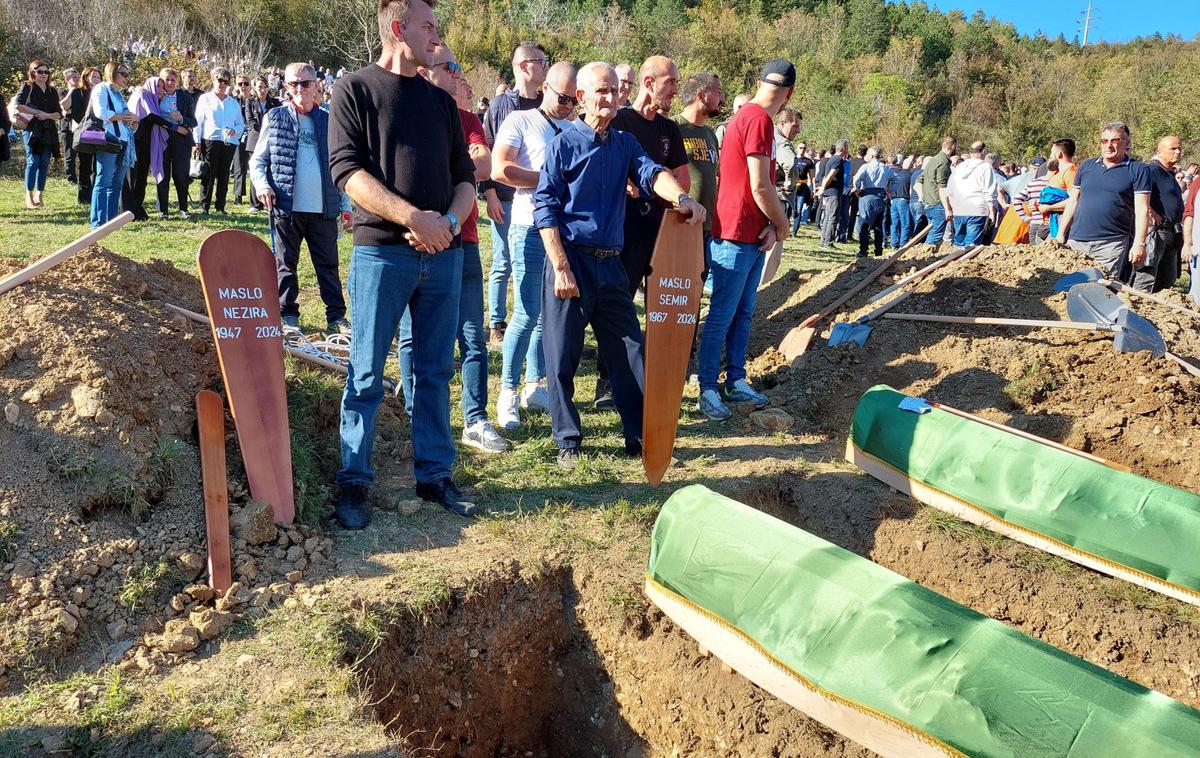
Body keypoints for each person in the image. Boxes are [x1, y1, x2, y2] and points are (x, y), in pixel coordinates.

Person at [329, 0, 479, 526]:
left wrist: (449, 224)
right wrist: (414, 218)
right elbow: (346, 172)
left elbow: (466, 175)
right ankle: (353, 482)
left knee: (435, 370)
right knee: (366, 371)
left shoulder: (439, 102)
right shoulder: (354, 89)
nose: (437, 37)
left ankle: (435, 475)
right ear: (398, 30)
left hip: (443, 255)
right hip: (381, 254)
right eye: (429, 27)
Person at [534, 61, 703, 469]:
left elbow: (651, 173)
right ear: (581, 98)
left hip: (611, 266)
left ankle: (641, 437)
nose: (611, 98)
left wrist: (680, 198)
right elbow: (545, 207)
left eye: (614, 91)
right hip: (569, 260)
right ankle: (568, 441)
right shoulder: (562, 144)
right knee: (561, 358)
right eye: (602, 92)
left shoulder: (625, 144)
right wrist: (560, 266)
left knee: (630, 352)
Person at [400, 47, 510, 454]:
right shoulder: (409, 112)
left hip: (462, 240)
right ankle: (417, 417)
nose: (460, 75)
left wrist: (442, 164)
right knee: (415, 337)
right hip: (416, 240)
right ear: (430, 73)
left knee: (472, 336)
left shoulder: (468, 119)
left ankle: (475, 419)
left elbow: (483, 166)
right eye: (453, 67)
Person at [697, 59, 794, 421]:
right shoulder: (757, 120)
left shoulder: (752, 118)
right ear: (790, 94)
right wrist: (782, 226)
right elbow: (759, 184)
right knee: (723, 314)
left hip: (751, 232)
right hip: (734, 233)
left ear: (758, 82)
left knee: (743, 312)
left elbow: (759, 185)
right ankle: (707, 387)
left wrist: (769, 225)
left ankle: (735, 380)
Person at [490, 61, 579, 431]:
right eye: (563, 97)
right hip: (528, 226)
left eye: (575, 100)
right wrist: (549, 179)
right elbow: (499, 169)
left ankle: (533, 384)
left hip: (562, 231)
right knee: (526, 312)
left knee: (548, 315)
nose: (569, 104)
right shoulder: (520, 121)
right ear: (545, 88)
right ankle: (507, 392)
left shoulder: (574, 127)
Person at [597, 55, 689, 407]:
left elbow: (680, 177)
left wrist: (673, 195)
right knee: (618, 305)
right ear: (649, 83)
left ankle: (652, 377)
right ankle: (607, 382)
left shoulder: (669, 129)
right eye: (671, 83)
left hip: (662, 231)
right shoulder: (620, 121)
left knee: (662, 306)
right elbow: (600, 165)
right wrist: (622, 183)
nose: (675, 91)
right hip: (624, 231)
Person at [251, 62, 350, 341]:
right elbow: (258, 160)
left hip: (323, 208)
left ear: (316, 85)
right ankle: (288, 315)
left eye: (305, 83)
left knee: (328, 265)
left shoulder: (329, 120)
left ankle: (336, 317)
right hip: (286, 205)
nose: (299, 89)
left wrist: (345, 204)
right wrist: (263, 186)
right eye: (292, 84)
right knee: (285, 264)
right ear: (285, 87)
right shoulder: (275, 117)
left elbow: (340, 165)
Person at [482, 42, 547, 346]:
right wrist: (490, 193)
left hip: (541, 201)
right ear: (523, 66)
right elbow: (488, 151)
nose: (546, 67)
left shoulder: (547, 102)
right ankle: (497, 322)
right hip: (506, 198)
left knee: (539, 266)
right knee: (503, 261)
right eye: (541, 61)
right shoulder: (499, 106)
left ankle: (541, 325)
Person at [1055, 122, 1151, 281]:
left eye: (1115, 140)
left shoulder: (1138, 169)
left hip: (1111, 243)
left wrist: (1139, 243)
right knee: (1069, 285)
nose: (1109, 145)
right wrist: (1060, 234)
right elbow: (1072, 201)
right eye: (1104, 141)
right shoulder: (1086, 166)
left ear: (1126, 143)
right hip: (1077, 240)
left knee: (1102, 286)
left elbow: (1142, 209)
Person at [89, 63, 138, 227]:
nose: (126, 77)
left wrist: (133, 119)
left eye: (127, 74)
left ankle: (111, 222)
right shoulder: (101, 88)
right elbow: (101, 113)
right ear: (112, 72)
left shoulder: (119, 93)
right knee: (103, 180)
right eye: (123, 73)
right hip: (108, 140)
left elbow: (127, 117)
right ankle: (98, 222)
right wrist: (123, 116)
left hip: (125, 141)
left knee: (117, 183)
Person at [123, 76, 174, 222]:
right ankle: (129, 211)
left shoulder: (154, 100)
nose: (161, 90)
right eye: (158, 86)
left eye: (162, 87)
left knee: (141, 179)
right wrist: (173, 126)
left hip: (146, 143)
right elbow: (151, 116)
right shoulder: (142, 93)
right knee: (133, 177)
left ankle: (137, 209)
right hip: (135, 142)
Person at [194, 67, 244, 214]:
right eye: (219, 80)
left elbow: (240, 124)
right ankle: (205, 206)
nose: (222, 84)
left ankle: (220, 206)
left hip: (229, 142)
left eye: (225, 81)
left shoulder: (233, 103)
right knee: (209, 174)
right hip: (210, 140)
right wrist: (196, 141)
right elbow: (198, 121)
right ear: (213, 80)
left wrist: (234, 130)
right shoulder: (205, 99)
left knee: (224, 175)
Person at [13, 60, 63, 209]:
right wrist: (36, 113)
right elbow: (18, 105)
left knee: (44, 163)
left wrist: (46, 115)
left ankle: (39, 194)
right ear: (33, 72)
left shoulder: (53, 91)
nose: (43, 74)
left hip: (49, 130)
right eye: (40, 71)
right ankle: (28, 195)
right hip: (32, 130)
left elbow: (59, 114)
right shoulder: (27, 87)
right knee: (33, 161)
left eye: (46, 72)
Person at [1140, 135, 1183, 293]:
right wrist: (1150, 210)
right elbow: (1135, 193)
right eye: (1173, 148)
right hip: (1156, 233)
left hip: (1172, 232)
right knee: (1146, 280)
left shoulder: (1170, 174)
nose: (1177, 152)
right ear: (1160, 151)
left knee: (1167, 283)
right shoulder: (1150, 170)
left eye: (1179, 148)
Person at [156, 67, 197, 219]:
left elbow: (193, 121)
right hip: (162, 139)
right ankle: (163, 210)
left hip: (181, 140)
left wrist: (181, 119)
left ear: (177, 81)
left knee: (181, 174)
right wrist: (174, 126)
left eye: (173, 80)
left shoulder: (185, 98)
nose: (170, 83)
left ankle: (183, 209)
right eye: (167, 79)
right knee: (163, 175)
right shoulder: (156, 96)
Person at [945, 140, 997, 246]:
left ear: (970, 153)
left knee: (959, 244)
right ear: (984, 151)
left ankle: (956, 261)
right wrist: (992, 210)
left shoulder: (959, 168)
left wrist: (951, 207)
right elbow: (989, 190)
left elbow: (950, 190)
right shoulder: (985, 167)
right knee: (972, 246)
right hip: (977, 209)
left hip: (959, 209)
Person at [240, 76, 279, 210]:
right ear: (255, 88)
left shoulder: (275, 103)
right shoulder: (250, 102)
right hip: (255, 140)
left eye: (264, 87)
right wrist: (263, 130)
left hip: (272, 140)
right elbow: (249, 121)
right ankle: (255, 203)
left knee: (270, 171)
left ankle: (270, 201)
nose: (262, 90)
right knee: (256, 171)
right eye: (259, 87)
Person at [67, 67, 102, 205]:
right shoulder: (78, 92)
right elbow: (76, 114)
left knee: (97, 165)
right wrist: (89, 124)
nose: (96, 80)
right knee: (85, 165)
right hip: (85, 133)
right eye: (93, 77)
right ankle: (84, 196)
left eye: (98, 77)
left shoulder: (102, 93)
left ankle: (95, 194)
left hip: (101, 133)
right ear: (85, 77)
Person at [852, 145, 893, 257]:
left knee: (864, 224)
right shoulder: (886, 168)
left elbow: (856, 178)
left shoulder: (866, 167)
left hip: (867, 195)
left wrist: (857, 189)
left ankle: (863, 250)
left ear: (871, 155)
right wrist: (889, 190)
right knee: (878, 225)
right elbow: (895, 179)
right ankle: (878, 251)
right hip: (881, 196)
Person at [920, 136, 956, 251]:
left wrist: (922, 197)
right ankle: (924, 258)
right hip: (938, 204)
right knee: (935, 236)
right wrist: (947, 208)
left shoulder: (933, 160)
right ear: (953, 146)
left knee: (933, 233)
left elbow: (919, 181)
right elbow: (942, 187)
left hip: (929, 202)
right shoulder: (943, 162)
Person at [817, 139, 850, 251]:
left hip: (829, 192)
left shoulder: (831, 159)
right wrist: (823, 188)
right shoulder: (838, 160)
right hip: (833, 193)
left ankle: (823, 241)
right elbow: (830, 175)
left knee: (827, 217)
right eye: (847, 147)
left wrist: (823, 188)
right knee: (833, 218)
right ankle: (828, 242)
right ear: (843, 148)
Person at [59, 68, 81, 186]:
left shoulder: (83, 91)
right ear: (67, 78)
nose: (77, 79)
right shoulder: (62, 92)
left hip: (81, 127)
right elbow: (64, 109)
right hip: (67, 127)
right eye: (74, 77)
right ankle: (71, 179)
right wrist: (72, 91)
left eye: (78, 77)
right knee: (70, 154)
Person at [888, 155, 913, 248]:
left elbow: (888, 187)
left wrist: (890, 197)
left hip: (894, 200)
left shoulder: (896, 174)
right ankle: (903, 244)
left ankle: (894, 244)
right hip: (904, 200)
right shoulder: (910, 175)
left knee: (894, 223)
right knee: (905, 223)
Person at [792, 141, 815, 233]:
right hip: (791, 188)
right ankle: (785, 229)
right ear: (797, 148)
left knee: (799, 208)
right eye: (800, 148)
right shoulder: (792, 159)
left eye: (804, 148)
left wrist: (814, 188)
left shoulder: (808, 162)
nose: (802, 150)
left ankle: (794, 231)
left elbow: (812, 176)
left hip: (802, 188)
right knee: (790, 209)